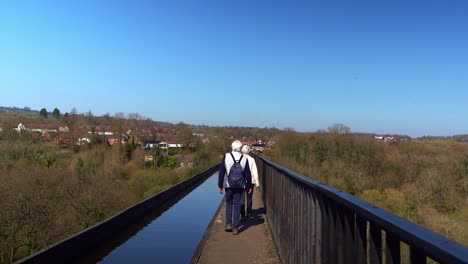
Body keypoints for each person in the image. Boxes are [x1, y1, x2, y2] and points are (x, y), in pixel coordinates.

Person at [218, 140, 252, 235]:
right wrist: (249, 186)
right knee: (237, 204)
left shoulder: (226, 156)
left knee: (229, 203)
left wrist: (220, 185)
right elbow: (248, 174)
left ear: (232, 147)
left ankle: (228, 224)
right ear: (241, 148)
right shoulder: (244, 158)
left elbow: (221, 172)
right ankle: (235, 227)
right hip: (240, 185)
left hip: (228, 185)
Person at [240, 145, 259, 220]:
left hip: (241, 180)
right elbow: (255, 171)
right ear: (248, 151)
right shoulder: (252, 159)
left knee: (241, 198)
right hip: (250, 181)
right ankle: (249, 212)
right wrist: (257, 182)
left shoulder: (239, 158)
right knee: (249, 197)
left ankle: (242, 214)